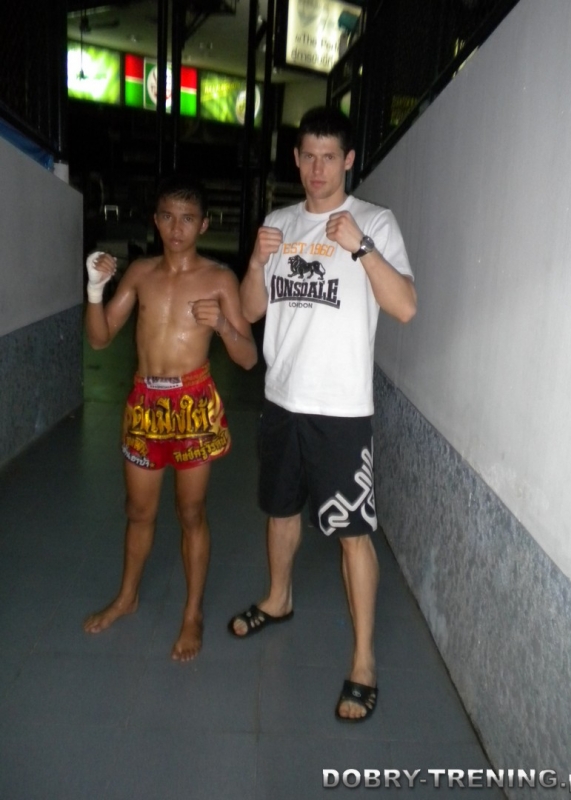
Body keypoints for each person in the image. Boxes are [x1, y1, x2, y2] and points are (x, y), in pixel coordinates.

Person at [228, 106, 417, 721]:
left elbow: (405, 307)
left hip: (341, 411)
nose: (316, 169)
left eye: (329, 157)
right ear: (296, 158)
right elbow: (250, 311)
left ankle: (363, 660)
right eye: (307, 156)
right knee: (280, 511)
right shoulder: (278, 223)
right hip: (282, 401)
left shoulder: (374, 222)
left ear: (348, 160)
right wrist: (255, 263)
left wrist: (360, 247)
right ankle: (277, 598)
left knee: (353, 535)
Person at [83, 174, 257, 661]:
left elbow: (248, 359)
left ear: (203, 224)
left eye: (187, 219)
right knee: (138, 511)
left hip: (193, 404)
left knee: (191, 513)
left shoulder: (220, 279)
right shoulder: (140, 273)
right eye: (167, 217)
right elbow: (99, 338)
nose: (176, 228)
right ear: (156, 221)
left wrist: (223, 326)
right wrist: (96, 290)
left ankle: (192, 612)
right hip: (145, 404)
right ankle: (127, 597)